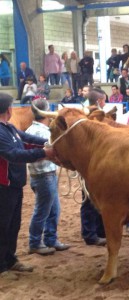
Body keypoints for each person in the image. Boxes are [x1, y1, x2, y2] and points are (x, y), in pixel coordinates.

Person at [0, 92, 55, 280]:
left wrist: (51, 143)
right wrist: (45, 153)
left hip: (14, 184)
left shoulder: (9, 128)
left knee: (13, 225)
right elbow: (13, 154)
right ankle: (1, 267)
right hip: (3, 185)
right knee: (2, 226)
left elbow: (28, 139)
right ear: (8, 109)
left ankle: (10, 259)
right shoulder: (0, 131)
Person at [26, 98, 70, 255]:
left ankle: (50, 239)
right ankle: (35, 242)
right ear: (46, 112)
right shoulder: (43, 132)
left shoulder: (31, 130)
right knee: (43, 210)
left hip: (41, 175)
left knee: (53, 209)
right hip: (44, 175)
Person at [81, 89, 107, 246]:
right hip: (90, 164)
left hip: (98, 164)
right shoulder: (90, 119)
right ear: (99, 101)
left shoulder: (88, 117)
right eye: (103, 100)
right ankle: (89, 234)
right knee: (89, 200)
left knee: (98, 198)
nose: (104, 103)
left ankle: (99, 231)